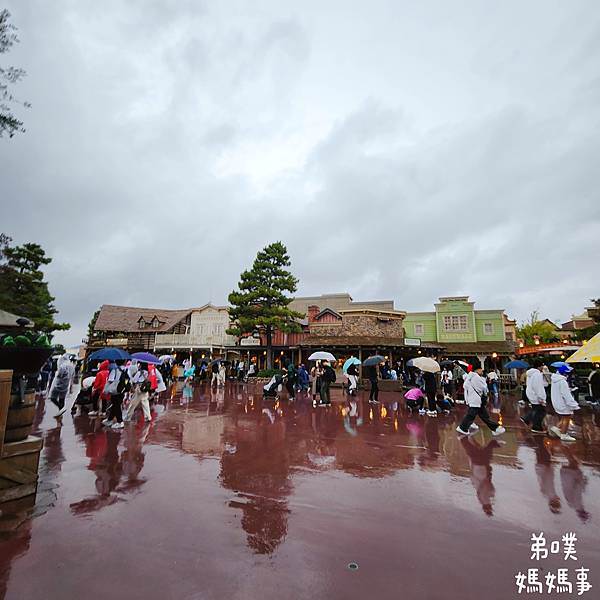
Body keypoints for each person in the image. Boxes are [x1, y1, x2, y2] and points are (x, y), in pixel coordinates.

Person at [457, 364, 505, 436]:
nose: (482, 371)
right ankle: (462, 427)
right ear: (477, 370)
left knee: (483, 416)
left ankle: (495, 428)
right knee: (472, 415)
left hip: (475, 399)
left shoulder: (470, 377)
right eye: (481, 369)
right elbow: (483, 387)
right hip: (475, 399)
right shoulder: (475, 377)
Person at [549, 364, 580, 441]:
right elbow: (566, 395)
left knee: (564, 417)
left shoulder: (555, 380)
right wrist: (574, 405)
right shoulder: (562, 381)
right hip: (563, 403)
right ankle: (563, 434)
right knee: (567, 417)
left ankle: (556, 428)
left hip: (557, 401)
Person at [521, 359, 547, 433]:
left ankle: (527, 418)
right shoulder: (537, 374)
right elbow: (538, 387)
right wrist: (541, 398)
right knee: (541, 411)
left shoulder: (530, 374)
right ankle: (536, 426)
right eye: (542, 366)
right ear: (539, 366)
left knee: (536, 409)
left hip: (530, 393)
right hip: (535, 395)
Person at [102, 363, 130, 429]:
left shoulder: (115, 370)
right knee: (115, 405)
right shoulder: (125, 369)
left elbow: (111, 380)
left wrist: (106, 389)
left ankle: (120, 422)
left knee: (116, 405)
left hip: (115, 390)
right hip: (121, 390)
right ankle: (110, 419)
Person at [48, 354, 74, 418]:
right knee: (62, 399)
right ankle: (60, 412)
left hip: (59, 384)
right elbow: (73, 375)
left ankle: (61, 409)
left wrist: (58, 375)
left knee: (52, 397)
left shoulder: (62, 365)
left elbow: (60, 374)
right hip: (66, 384)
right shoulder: (71, 365)